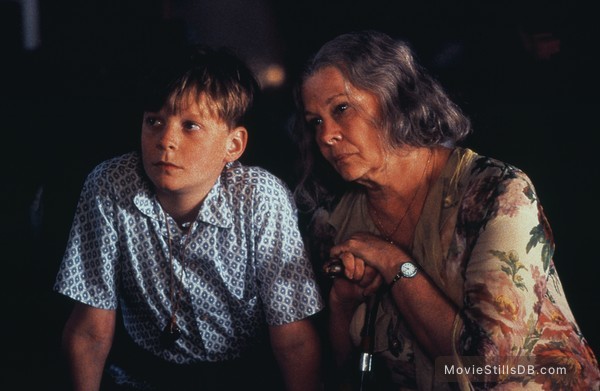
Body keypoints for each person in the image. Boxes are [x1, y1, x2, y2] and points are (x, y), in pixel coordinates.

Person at [291, 30, 600, 390]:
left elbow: (489, 367)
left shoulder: (495, 192)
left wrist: (395, 264)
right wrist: (342, 303)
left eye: (341, 109)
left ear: (393, 99)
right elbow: (342, 376)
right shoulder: (334, 223)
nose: (326, 135)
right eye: (315, 121)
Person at [54, 45, 324, 391]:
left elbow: (294, 340)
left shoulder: (262, 198)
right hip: (144, 377)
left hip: (245, 378)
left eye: (190, 126)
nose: (165, 141)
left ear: (234, 145)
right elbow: (90, 331)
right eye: (154, 121)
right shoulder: (110, 186)